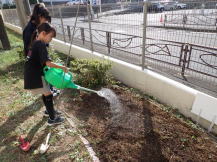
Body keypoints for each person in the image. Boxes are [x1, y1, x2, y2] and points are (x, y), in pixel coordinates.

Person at [24, 23, 67, 125]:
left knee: (46, 92)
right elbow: (47, 63)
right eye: (50, 36)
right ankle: (52, 119)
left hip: (32, 74)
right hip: (36, 76)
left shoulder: (35, 42)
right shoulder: (41, 44)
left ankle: (49, 111)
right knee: (48, 94)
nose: (51, 39)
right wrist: (63, 67)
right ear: (43, 33)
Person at [23, 3, 60, 97]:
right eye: (45, 19)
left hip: (39, 58)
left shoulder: (38, 26)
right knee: (43, 82)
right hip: (35, 61)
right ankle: (48, 93)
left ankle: (49, 90)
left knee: (46, 78)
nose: (46, 21)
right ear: (40, 16)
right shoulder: (29, 29)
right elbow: (29, 48)